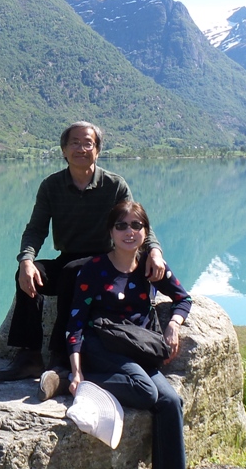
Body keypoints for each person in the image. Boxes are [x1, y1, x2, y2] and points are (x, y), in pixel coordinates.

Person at [0, 121, 167, 382]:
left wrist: (154, 251)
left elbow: (136, 222)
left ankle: (61, 356)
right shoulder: (51, 185)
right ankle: (30, 356)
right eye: (75, 142)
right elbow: (36, 229)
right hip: (68, 257)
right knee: (32, 275)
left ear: (97, 150)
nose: (81, 148)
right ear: (64, 150)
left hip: (108, 262)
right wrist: (26, 260)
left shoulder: (114, 185)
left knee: (71, 273)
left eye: (88, 143)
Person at [62, 200, 191, 469]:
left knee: (170, 401)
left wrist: (173, 325)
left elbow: (183, 299)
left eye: (136, 225)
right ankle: (66, 380)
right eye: (121, 225)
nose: (129, 231)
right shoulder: (94, 269)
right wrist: (76, 371)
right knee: (146, 392)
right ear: (110, 231)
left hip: (137, 347)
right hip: (101, 344)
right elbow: (76, 322)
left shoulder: (151, 266)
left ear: (146, 231)